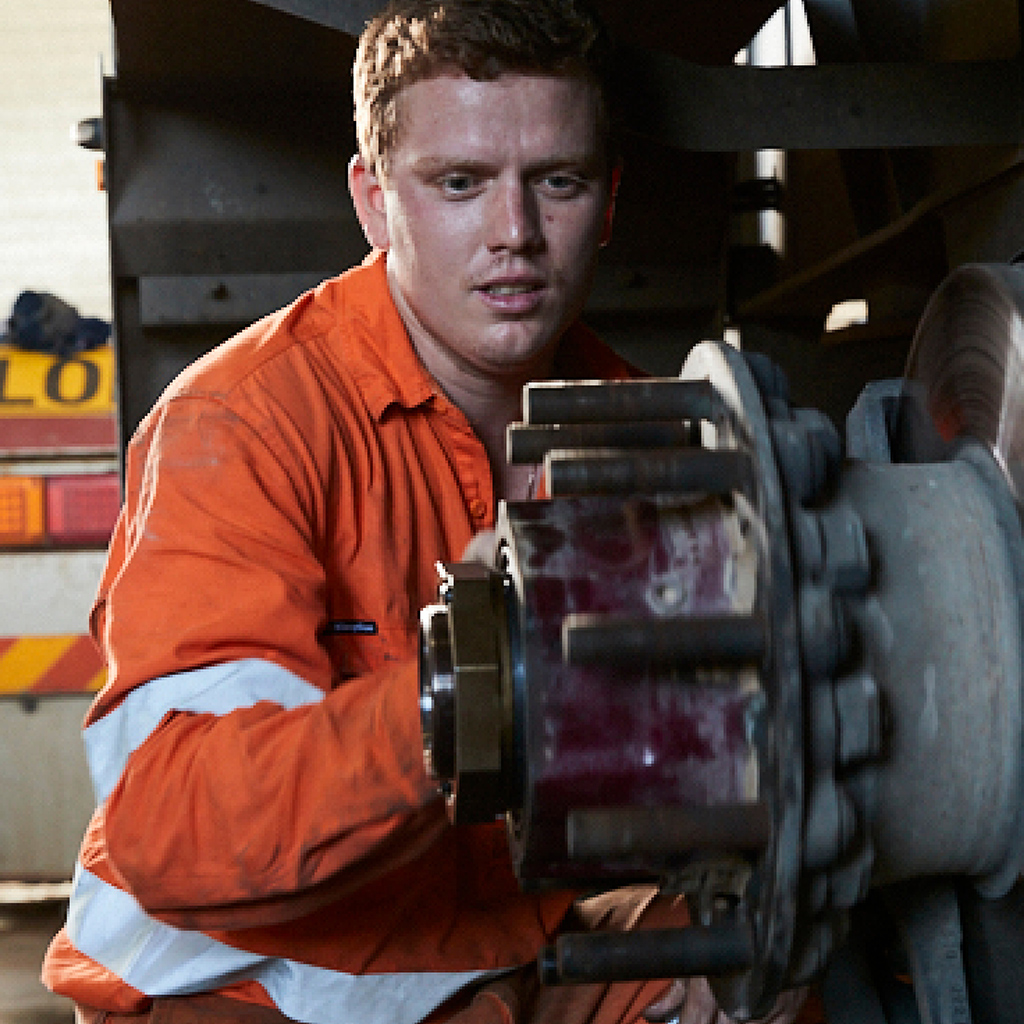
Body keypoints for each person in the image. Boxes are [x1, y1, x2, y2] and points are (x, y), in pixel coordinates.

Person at [42, 2, 810, 1022]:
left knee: (788, 965)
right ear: (372, 199)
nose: (515, 234)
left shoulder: (637, 427)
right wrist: (477, 683)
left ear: (610, 199)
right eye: (460, 183)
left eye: (559, 183)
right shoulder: (242, 422)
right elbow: (174, 825)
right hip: (245, 982)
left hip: (504, 952)